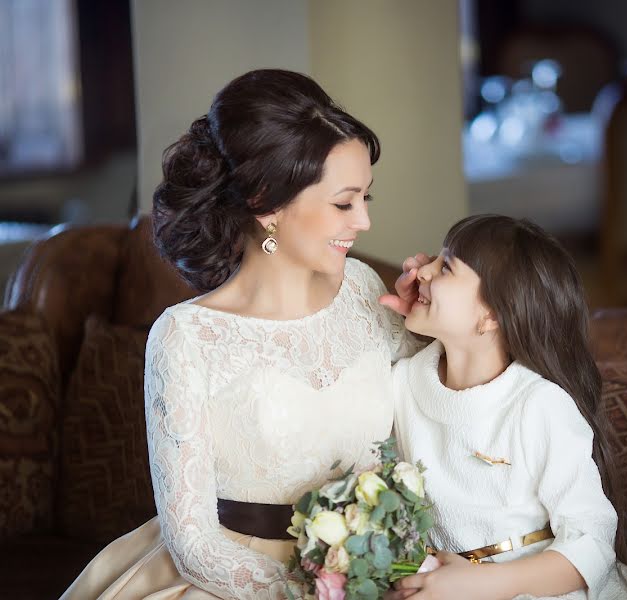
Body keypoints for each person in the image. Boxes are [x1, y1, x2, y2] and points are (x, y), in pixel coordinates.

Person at [62, 69, 421, 600]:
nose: (364, 221)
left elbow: (439, 404)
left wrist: (433, 325)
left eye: (367, 198)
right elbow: (193, 543)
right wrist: (317, 594)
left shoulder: (366, 289)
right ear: (266, 203)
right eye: (344, 203)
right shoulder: (186, 337)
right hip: (234, 579)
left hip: (375, 573)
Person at [386, 215, 627, 600]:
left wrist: (480, 585)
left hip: (539, 589)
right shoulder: (404, 382)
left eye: (445, 266)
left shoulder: (538, 405)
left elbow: (592, 542)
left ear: (491, 314)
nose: (419, 269)